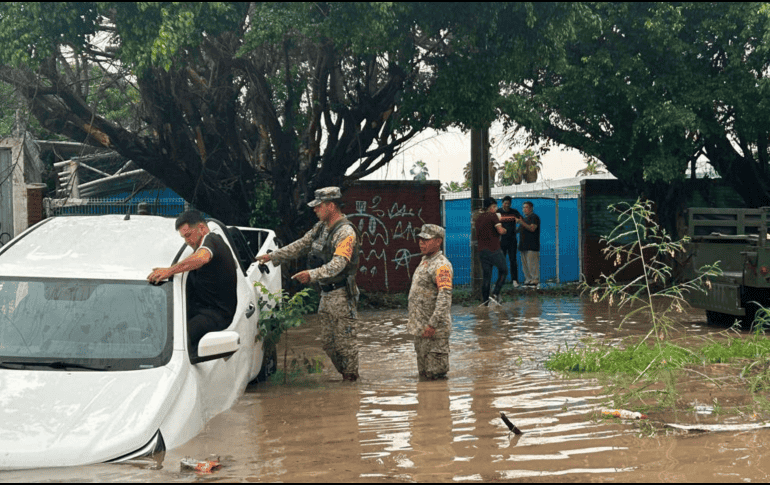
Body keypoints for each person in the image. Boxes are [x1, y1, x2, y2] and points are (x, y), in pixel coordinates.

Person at [255, 186, 361, 381]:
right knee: (328, 344)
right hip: (326, 294)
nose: (315, 210)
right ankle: (347, 379)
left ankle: (351, 385)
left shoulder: (345, 232)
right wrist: (272, 256)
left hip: (342, 295)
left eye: (318, 206)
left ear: (331, 206)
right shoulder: (321, 227)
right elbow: (301, 244)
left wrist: (312, 275)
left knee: (346, 346)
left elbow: (339, 264)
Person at [147, 210, 238, 357]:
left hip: (216, 314)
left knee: (179, 339)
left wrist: (170, 271)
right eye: (183, 237)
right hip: (201, 308)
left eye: (188, 235)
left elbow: (202, 258)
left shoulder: (211, 240)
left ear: (202, 228)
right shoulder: (205, 244)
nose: (187, 241)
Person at [407, 224, 453, 380]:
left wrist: (432, 324)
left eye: (426, 240)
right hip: (421, 330)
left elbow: (444, 297)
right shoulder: (425, 261)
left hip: (434, 332)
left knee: (436, 378)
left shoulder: (441, 265)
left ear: (438, 241)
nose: (421, 243)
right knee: (424, 378)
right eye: (420, 239)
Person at [476, 197, 508, 305]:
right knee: (504, 271)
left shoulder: (479, 218)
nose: (496, 208)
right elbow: (500, 230)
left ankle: (485, 302)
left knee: (486, 277)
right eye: (495, 206)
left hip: (482, 251)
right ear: (492, 207)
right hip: (494, 249)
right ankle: (495, 294)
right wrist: (504, 230)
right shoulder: (493, 216)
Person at [497, 196, 522, 288]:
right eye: (505, 203)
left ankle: (514, 280)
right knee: (501, 260)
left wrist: (517, 230)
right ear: (502, 203)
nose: (507, 205)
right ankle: (501, 280)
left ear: (510, 204)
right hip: (501, 240)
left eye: (508, 203)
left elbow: (521, 221)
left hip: (512, 240)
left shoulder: (514, 212)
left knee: (513, 260)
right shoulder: (498, 212)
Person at [516, 201, 541, 288]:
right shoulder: (524, 219)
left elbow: (532, 229)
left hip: (532, 245)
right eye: (523, 207)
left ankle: (534, 279)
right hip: (523, 245)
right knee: (525, 265)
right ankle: (528, 280)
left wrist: (521, 222)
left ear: (531, 208)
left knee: (532, 264)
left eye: (526, 207)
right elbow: (517, 231)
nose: (524, 209)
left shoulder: (534, 217)